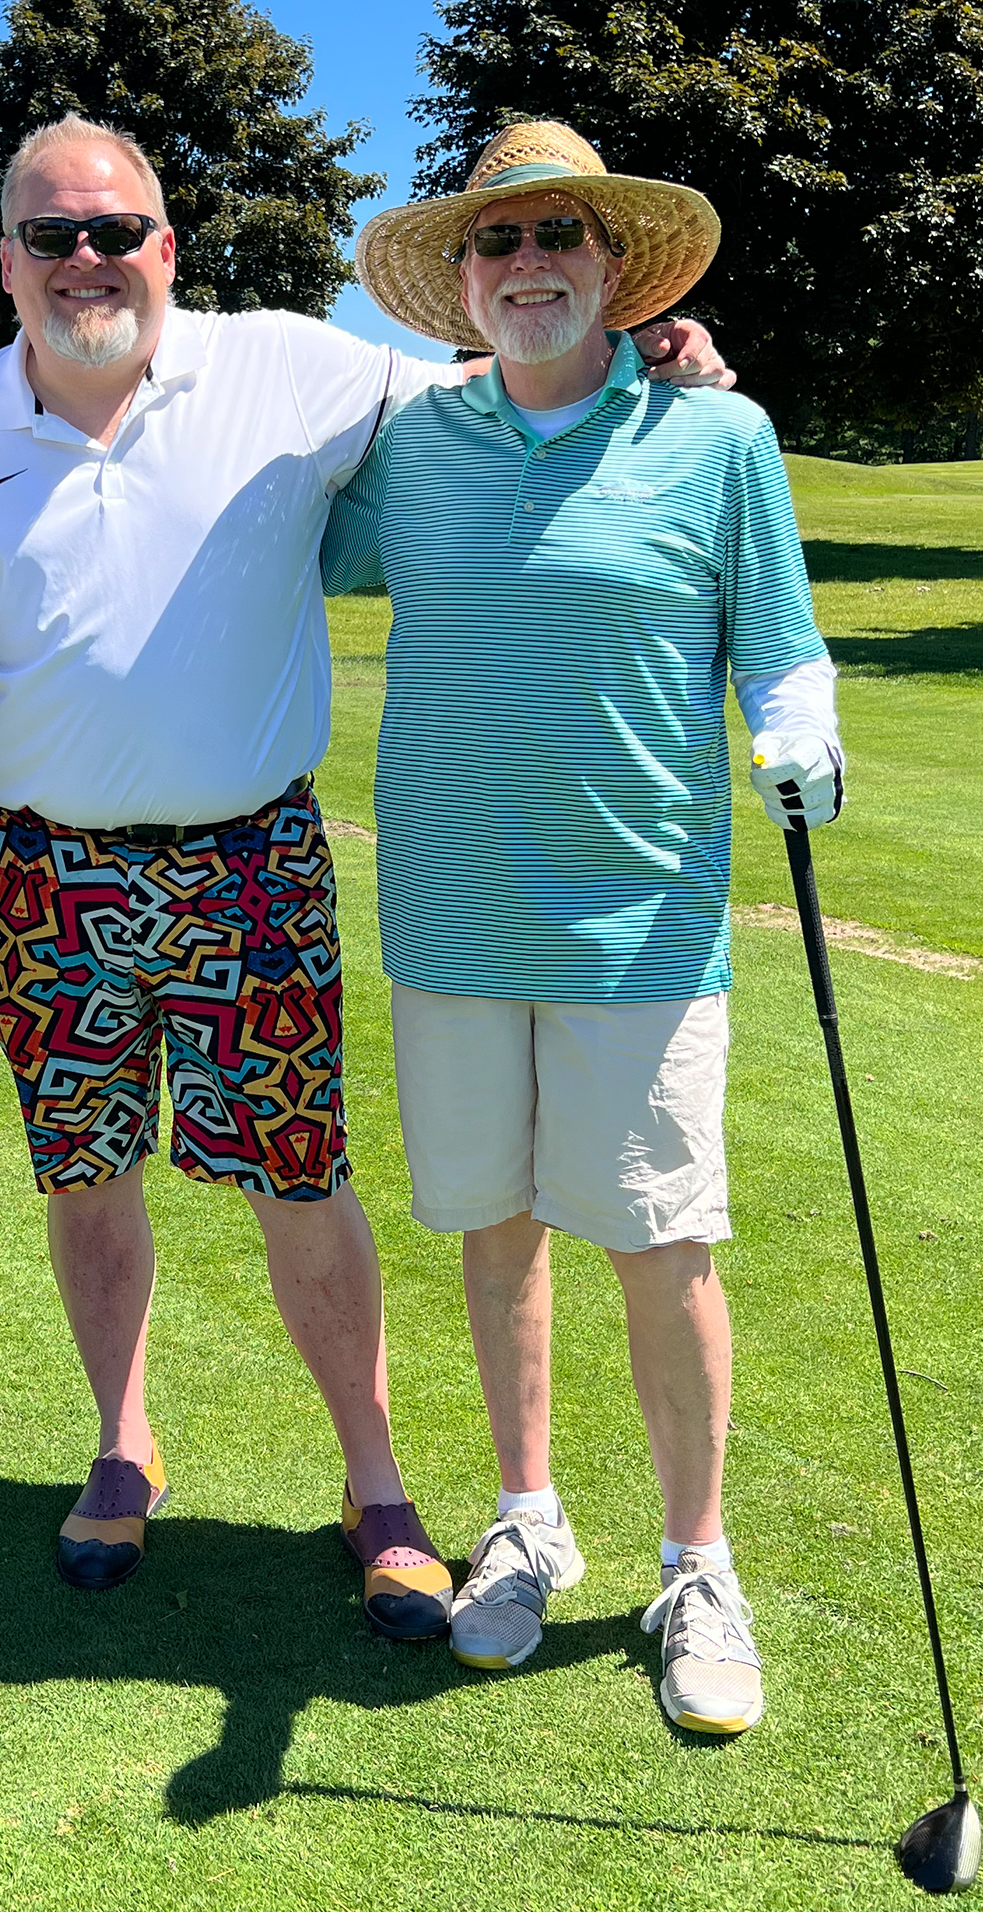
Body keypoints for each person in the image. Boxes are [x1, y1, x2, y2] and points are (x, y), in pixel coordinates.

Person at [0, 114, 732, 1635]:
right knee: (84, 1176)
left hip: (251, 865)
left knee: (301, 1176)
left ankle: (377, 1483)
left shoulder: (290, 365)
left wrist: (655, 352)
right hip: (38, 875)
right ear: (5, 260)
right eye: (51, 235)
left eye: (115, 231)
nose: (87, 259)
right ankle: (121, 1447)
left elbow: (507, 380)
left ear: (165, 247)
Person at [323, 120, 844, 1732]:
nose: (528, 261)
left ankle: (699, 1563)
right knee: (496, 1232)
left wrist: (802, 727)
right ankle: (528, 1518)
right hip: (452, 915)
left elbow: (779, 640)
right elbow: (287, 546)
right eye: (497, 241)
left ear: (615, 265)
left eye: (560, 234)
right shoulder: (416, 446)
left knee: (662, 1244)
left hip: (640, 921)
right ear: (463, 280)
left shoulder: (718, 433)